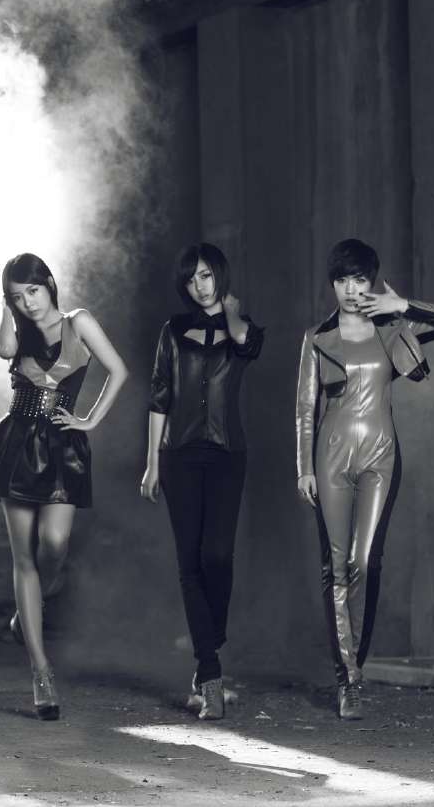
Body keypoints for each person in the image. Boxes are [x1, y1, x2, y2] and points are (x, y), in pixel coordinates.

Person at [296, 238, 434, 719]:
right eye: (342, 280)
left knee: (365, 563)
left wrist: (403, 304)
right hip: (330, 459)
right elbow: (305, 408)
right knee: (335, 566)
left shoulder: (394, 327)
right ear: (333, 284)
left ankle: (355, 664)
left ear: (372, 281)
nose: (351, 290)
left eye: (360, 279)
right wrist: (303, 468)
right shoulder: (316, 337)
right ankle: (348, 679)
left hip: (381, 457)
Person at [0, 253, 128, 720]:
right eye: (18, 296)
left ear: (50, 284)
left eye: (33, 291)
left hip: (62, 444)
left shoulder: (80, 322)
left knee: (55, 542)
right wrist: (6, 307)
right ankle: (41, 671)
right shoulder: (18, 330)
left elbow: (118, 371)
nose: (29, 302)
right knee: (24, 557)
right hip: (16, 441)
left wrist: (89, 420)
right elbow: (2, 350)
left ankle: (29, 609)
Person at [139, 243, 263, 720]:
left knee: (217, 556)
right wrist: (152, 463)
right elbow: (159, 397)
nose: (199, 286)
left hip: (228, 454)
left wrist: (230, 311)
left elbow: (247, 345)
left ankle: (211, 636)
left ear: (220, 277)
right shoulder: (172, 331)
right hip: (180, 455)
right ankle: (208, 671)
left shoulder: (242, 327)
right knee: (189, 562)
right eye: (191, 279)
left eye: (207, 275)